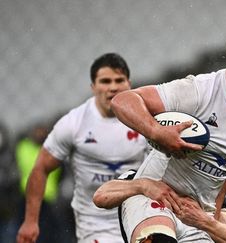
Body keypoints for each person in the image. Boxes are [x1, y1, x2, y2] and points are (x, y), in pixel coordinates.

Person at [105, 27, 226, 242]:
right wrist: (157, 132)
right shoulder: (198, 91)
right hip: (156, 196)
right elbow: (122, 101)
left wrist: (213, 213)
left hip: (196, 213)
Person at [16, 53, 150, 243]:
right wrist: (30, 222)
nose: (112, 87)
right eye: (105, 81)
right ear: (93, 87)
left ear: (128, 83)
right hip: (95, 225)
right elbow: (41, 168)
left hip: (138, 217)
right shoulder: (74, 123)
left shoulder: (147, 119)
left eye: (119, 80)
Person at [93, 168, 226, 243]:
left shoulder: (206, 194)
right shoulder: (138, 176)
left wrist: (203, 221)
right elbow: (100, 197)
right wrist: (143, 186)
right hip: (151, 220)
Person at [15, 122, 63, 242]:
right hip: (28, 196)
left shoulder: (52, 150)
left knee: (46, 233)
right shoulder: (23, 147)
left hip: (48, 198)